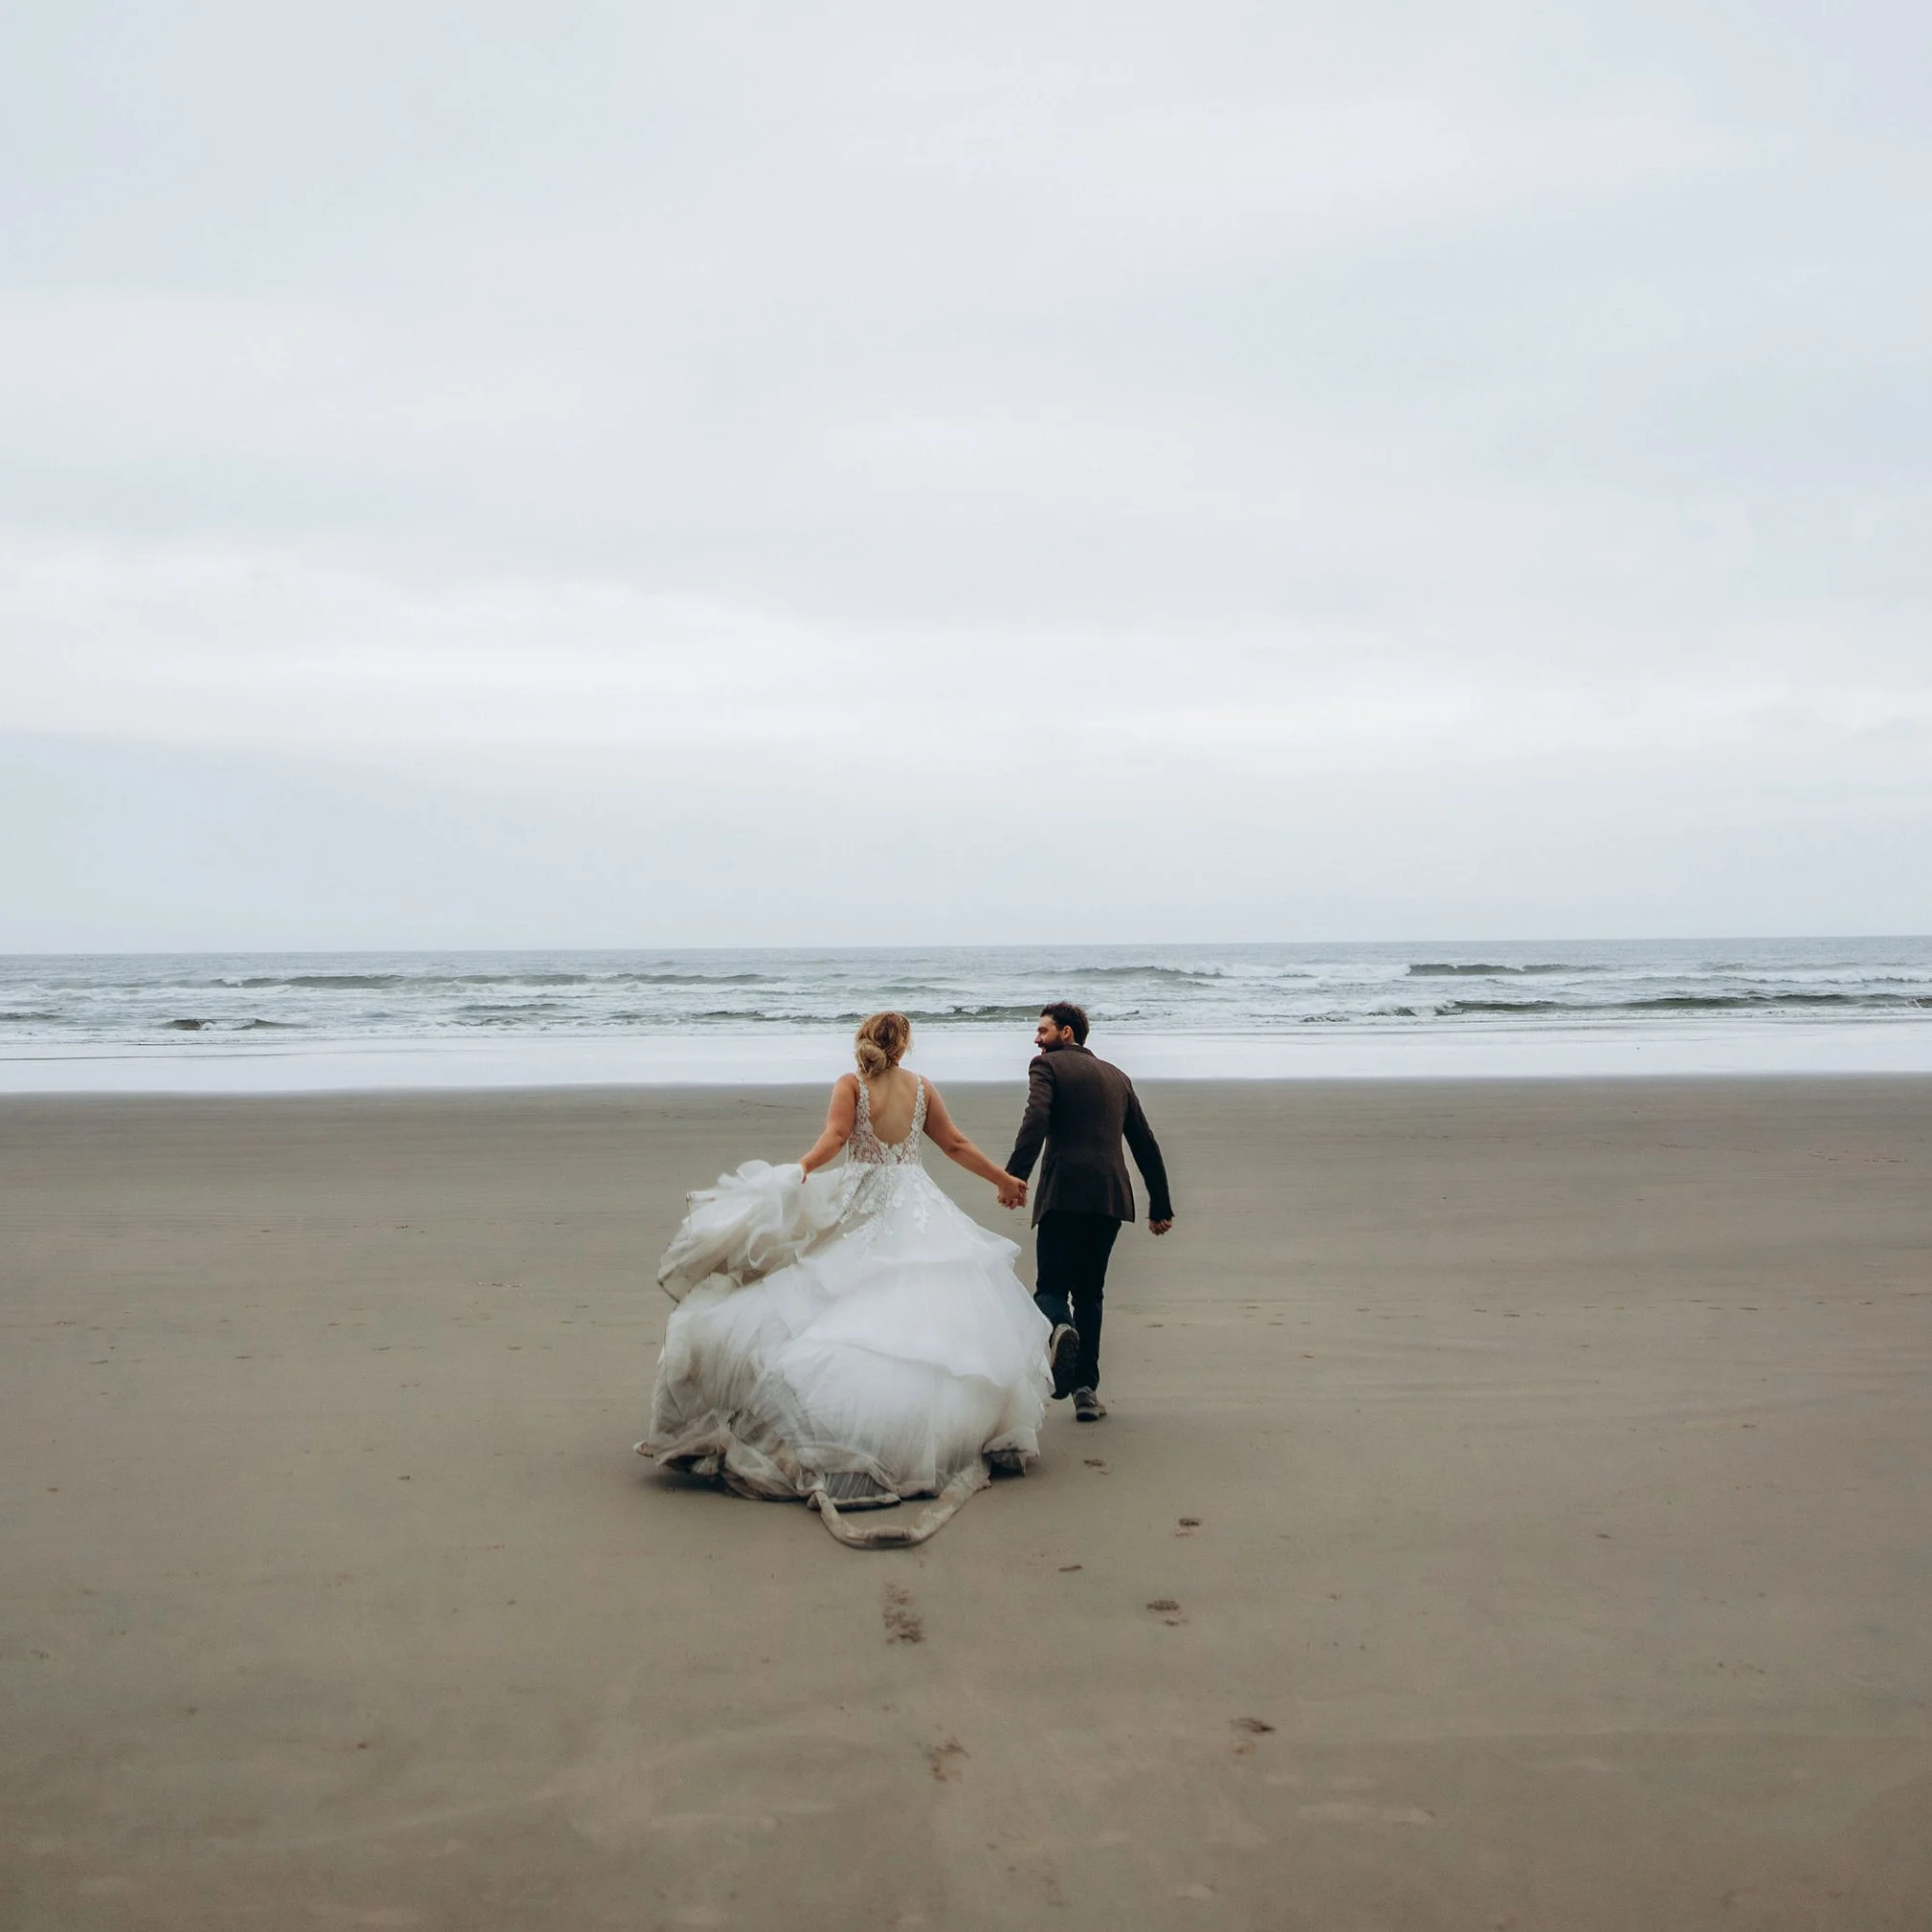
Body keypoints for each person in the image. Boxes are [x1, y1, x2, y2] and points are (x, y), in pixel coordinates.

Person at [639, 1011, 1052, 1543]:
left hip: (861, 1200)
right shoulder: (921, 1087)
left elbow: (835, 1140)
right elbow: (954, 1145)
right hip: (917, 1203)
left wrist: (799, 1171)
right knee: (924, 1312)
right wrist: (1004, 1178)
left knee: (830, 1294)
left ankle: (846, 1433)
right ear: (904, 1045)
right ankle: (928, 1433)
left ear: (862, 1041)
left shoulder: (852, 1086)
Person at [1005, 1002, 1173, 1421]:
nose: (1036, 1039)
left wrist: (1015, 1175)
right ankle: (1086, 1391)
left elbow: (1036, 1118)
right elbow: (1145, 1143)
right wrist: (1160, 1203)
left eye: (1042, 1031)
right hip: (1110, 1198)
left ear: (1066, 1034)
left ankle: (1060, 1328)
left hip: (1064, 1192)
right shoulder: (1118, 1076)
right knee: (1090, 1293)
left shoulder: (1047, 1067)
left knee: (1049, 1290)